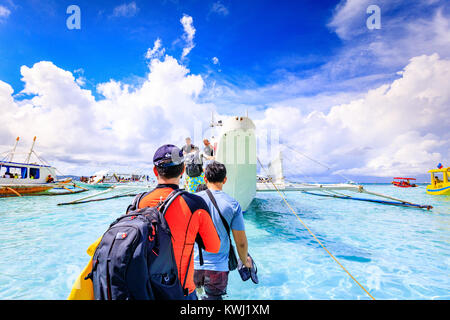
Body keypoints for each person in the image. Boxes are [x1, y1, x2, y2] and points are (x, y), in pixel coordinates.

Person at [135, 144, 221, 300]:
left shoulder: (138, 202)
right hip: (181, 290)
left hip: (144, 290)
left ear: (155, 171)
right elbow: (214, 247)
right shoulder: (195, 204)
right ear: (183, 170)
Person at [194, 161, 253, 300]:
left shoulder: (192, 201)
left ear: (205, 179)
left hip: (193, 265)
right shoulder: (233, 204)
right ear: (225, 180)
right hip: (218, 268)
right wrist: (244, 261)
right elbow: (241, 243)